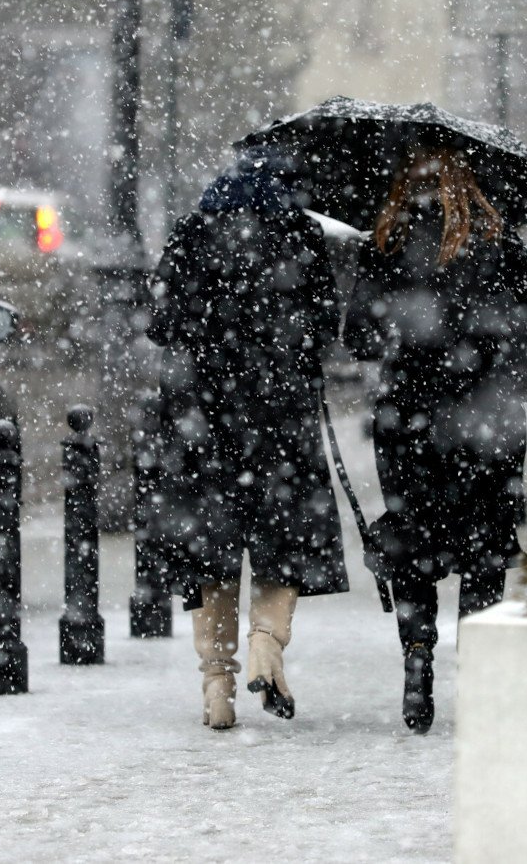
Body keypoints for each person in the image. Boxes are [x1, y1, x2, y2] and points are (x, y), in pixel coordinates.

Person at [344, 146, 527, 733]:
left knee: (412, 535)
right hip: (486, 415)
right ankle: (481, 665)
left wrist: (405, 328)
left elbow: (358, 336)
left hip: (407, 418)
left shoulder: (384, 243)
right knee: (485, 539)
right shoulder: (497, 240)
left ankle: (418, 659)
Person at [142, 147, 349, 731]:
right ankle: (266, 642)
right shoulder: (299, 235)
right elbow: (324, 327)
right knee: (284, 536)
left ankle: (217, 685)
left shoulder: (193, 232)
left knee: (211, 547)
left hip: (201, 418)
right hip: (278, 414)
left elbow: (161, 324)